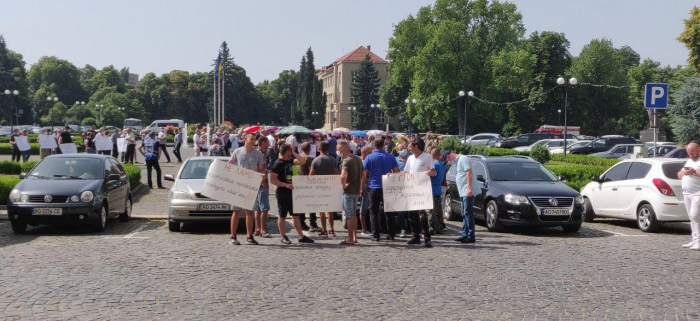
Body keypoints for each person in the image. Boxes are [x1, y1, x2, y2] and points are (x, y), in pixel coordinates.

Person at [270, 143, 315, 244]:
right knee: (282, 215)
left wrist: (294, 152)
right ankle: (283, 236)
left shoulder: (290, 160)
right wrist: (285, 185)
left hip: (292, 192)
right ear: (287, 152)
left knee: (296, 215)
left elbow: (302, 161)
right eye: (290, 151)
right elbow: (272, 180)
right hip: (283, 192)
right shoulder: (278, 163)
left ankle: (301, 236)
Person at [228, 133, 266, 245]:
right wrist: (217, 166)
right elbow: (229, 164)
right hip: (239, 185)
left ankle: (249, 236)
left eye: (254, 139)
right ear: (245, 139)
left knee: (250, 211)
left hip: (251, 186)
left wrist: (262, 175)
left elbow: (261, 168)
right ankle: (233, 236)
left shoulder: (258, 154)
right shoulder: (237, 151)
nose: (253, 141)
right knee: (236, 211)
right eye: (251, 139)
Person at [361, 138, 399, 242]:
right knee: (389, 211)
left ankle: (375, 235)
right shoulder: (390, 157)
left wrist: (362, 188)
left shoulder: (369, 157)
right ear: (384, 145)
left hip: (374, 187)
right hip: (387, 187)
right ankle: (391, 234)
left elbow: (365, 175)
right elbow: (395, 172)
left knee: (373, 211)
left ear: (374, 146)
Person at [402, 139, 437, 247]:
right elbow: (405, 172)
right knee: (411, 214)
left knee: (422, 214)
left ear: (416, 147)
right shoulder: (410, 158)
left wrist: (428, 172)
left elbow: (434, 172)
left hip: (422, 189)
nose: (408, 148)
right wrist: (392, 176)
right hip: (411, 189)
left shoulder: (427, 157)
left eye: (410, 146)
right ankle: (415, 236)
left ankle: (427, 237)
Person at [310, 141, 340, 237]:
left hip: (319, 188)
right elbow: (336, 173)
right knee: (330, 210)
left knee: (321, 210)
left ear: (319, 149)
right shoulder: (333, 160)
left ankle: (324, 230)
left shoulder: (316, 160)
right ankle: (332, 230)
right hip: (330, 187)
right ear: (327, 149)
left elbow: (311, 175)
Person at [339, 141, 363, 245]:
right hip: (356, 190)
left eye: (339, 149)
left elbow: (343, 176)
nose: (338, 151)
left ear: (343, 149)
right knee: (354, 214)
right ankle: (354, 237)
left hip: (348, 191)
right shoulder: (358, 159)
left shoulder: (346, 160)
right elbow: (362, 174)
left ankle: (349, 238)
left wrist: (343, 185)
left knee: (349, 215)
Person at [678, 142, 700, 250]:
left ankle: (698, 242)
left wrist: (694, 171)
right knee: (691, 217)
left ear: (698, 150)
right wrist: (684, 172)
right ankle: (694, 240)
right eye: (688, 152)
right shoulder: (688, 161)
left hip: (697, 193)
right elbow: (679, 175)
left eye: (692, 151)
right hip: (687, 193)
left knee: (695, 216)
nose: (690, 154)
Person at [296, 142, 319, 232]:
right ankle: (313, 223)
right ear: (310, 149)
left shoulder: (299, 157)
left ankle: (301, 221)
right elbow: (311, 170)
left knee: (302, 204)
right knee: (312, 204)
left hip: (300, 182)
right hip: (308, 183)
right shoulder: (308, 158)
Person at [455, 153, 476, 244]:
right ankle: (465, 234)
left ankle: (471, 236)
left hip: (467, 191)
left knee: (468, 213)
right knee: (464, 213)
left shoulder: (463, 159)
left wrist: (469, 188)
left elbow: (469, 173)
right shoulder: (459, 160)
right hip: (463, 192)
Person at [254, 136, 272, 238]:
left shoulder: (263, 153)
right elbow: (260, 169)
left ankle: (257, 229)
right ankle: (262, 229)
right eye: (267, 142)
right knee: (264, 207)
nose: (269, 143)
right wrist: (263, 181)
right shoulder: (260, 154)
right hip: (262, 182)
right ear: (263, 142)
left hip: (259, 181)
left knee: (258, 208)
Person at [430, 148, 447, 234]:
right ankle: (440, 226)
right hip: (438, 188)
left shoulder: (434, 165)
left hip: (432, 188)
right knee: (438, 209)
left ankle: (433, 228)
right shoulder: (442, 165)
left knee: (432, 210)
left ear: (432, 155)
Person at [395, 142, 411, 237]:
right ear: (397, 151)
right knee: (401, 211)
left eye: (404, 148)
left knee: (412, 211)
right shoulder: (395, 160)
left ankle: (413, 229)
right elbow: (393, 172)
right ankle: (402, 229)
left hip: (410, 188)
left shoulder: (411, 159)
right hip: (399, 188)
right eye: (400, 149)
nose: (403, 150)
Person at [359, 145, 373, 236]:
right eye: (369, 152)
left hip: (370, 186)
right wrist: (361, 188)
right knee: (363, 208)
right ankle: (363, 228)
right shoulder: (361, 162)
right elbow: (362, 176)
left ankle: (374, 228)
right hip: (364, 186)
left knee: (372, 208)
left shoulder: (368, 161)